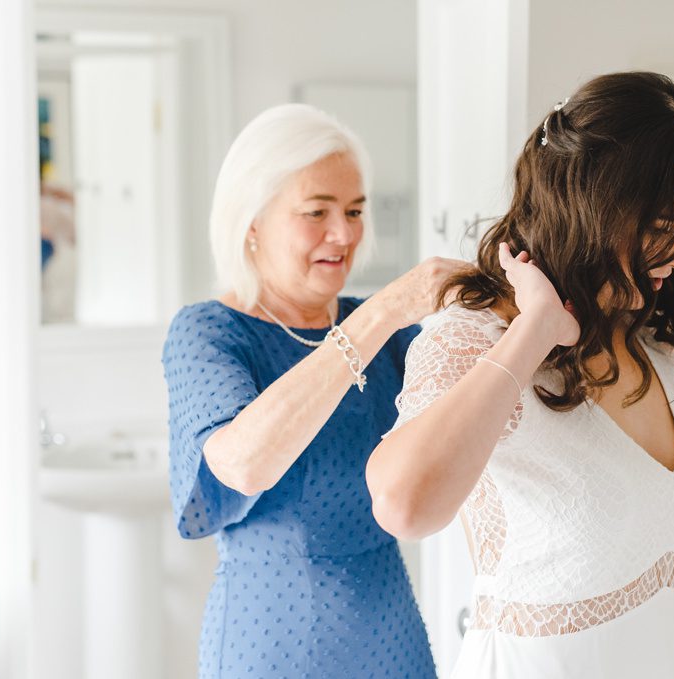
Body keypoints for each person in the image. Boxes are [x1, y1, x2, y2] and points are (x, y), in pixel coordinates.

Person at [367, 71, 674, 679]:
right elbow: (404, 508)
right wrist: (536, 331)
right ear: (593, 207)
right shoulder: (473, 339)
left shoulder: (647, 345)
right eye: (665, 229)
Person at [161, 103, 467, 678]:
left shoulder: (390, 334)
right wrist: (385, 312)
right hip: (271, 644)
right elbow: (242, 465)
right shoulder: (208, 332)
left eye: (354, 210)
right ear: (252, 221)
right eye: (316, 211)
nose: (344, 233)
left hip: (391, 639)